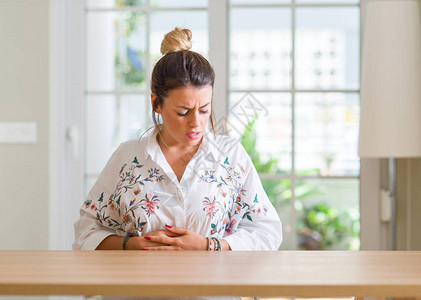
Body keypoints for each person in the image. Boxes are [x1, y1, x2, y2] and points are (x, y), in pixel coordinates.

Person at [73, 27, 282, 254]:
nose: (196, 123)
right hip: (138, 286)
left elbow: (267, 231)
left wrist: (208, 245)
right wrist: (131, 244)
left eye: (204, 109)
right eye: (183, 111)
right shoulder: (127, 157)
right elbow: (87, 231)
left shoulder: (231, 155)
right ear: (156, 104)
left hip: (212, 286)